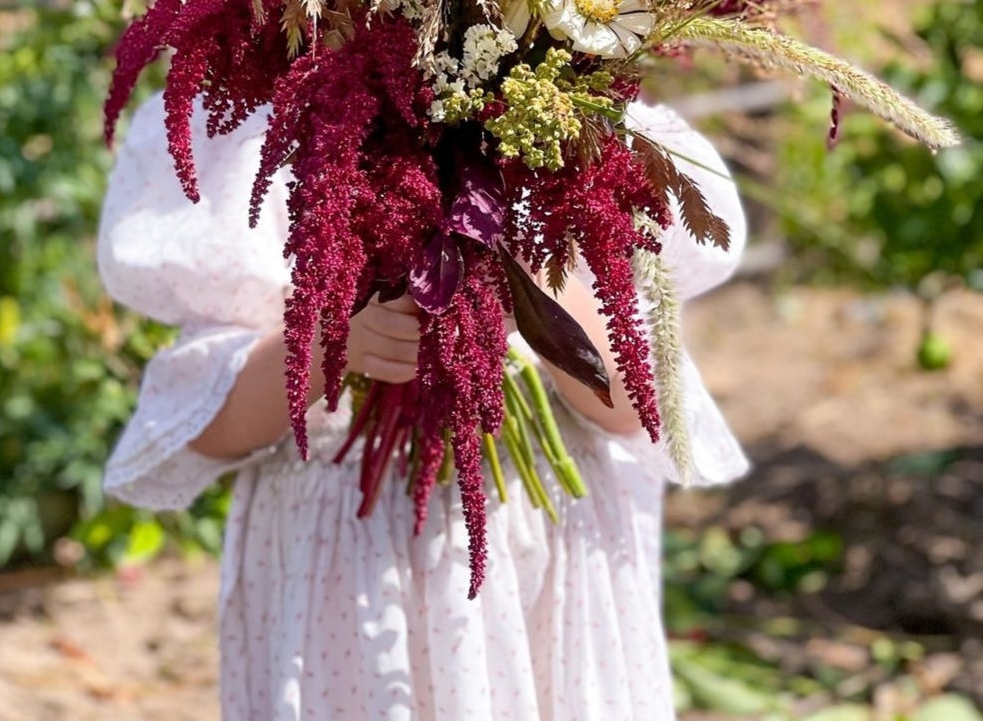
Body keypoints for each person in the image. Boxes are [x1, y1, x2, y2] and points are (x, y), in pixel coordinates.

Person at [99, 90, 748, 720]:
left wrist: (526, 277)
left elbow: (635, 403)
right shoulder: (257, 135)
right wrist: (333, 340)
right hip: (344, 580)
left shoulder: (567, 125)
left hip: (539, 559)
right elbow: (207, 425)